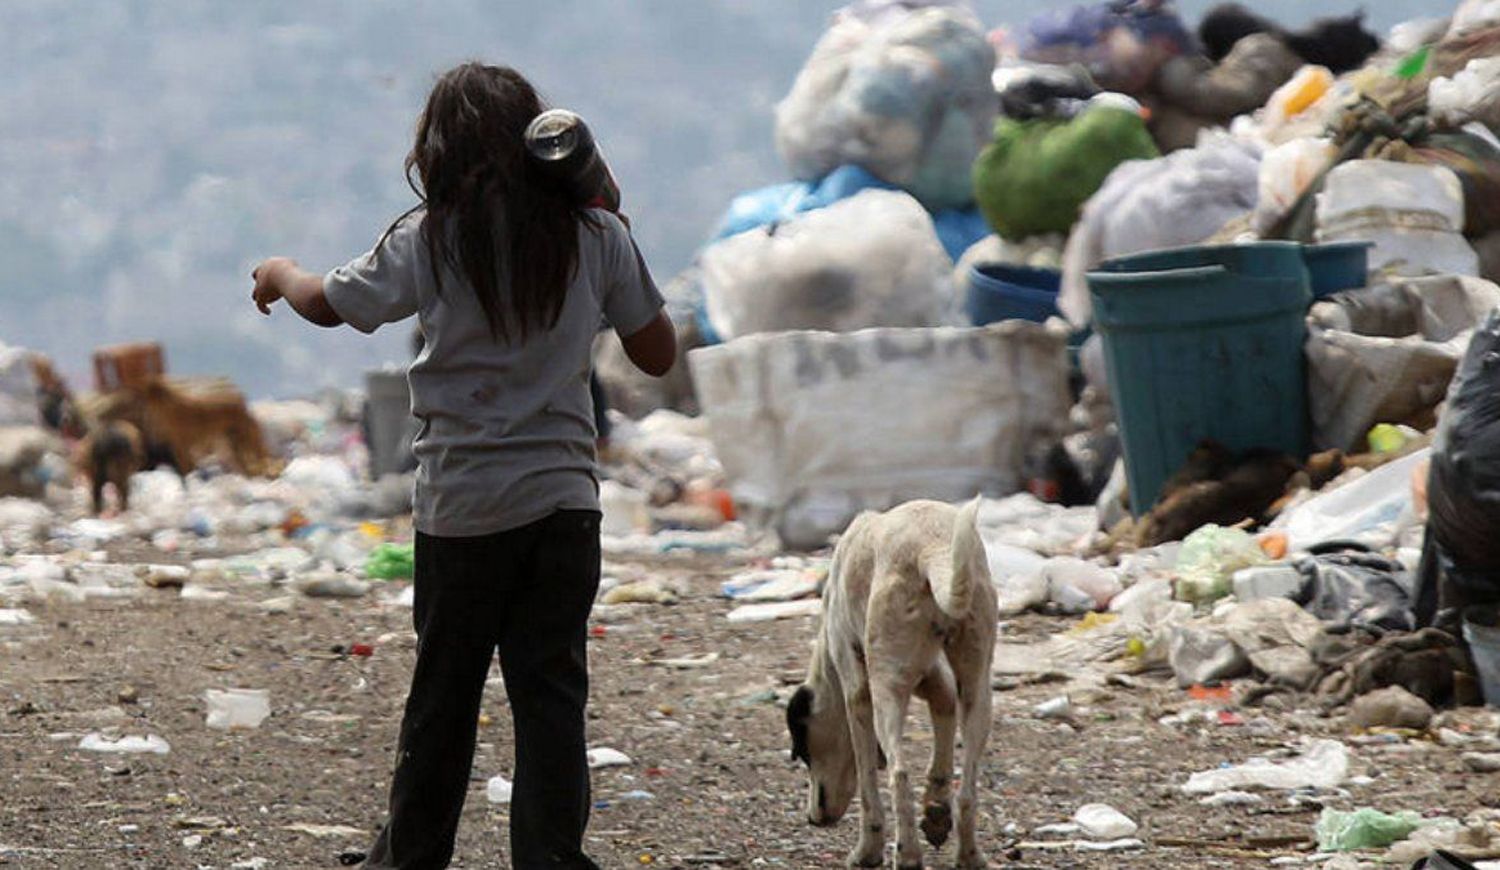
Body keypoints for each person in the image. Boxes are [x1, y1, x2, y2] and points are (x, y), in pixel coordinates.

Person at [249, 62, 676, 869]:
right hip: (562, 507)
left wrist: (278, 273)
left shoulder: (432, 235)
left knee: (443, 699)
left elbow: (330, 304)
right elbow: (656, 353)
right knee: (551, 699)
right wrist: (607, 208)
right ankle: (550, 858)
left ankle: (411, 858)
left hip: (462, 507)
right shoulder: (595, 237)